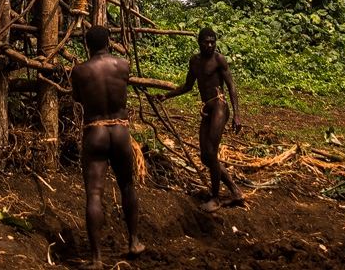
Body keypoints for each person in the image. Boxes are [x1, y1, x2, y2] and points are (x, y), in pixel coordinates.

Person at [71, 24, 144, 266]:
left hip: (95, 131)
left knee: (94, 194)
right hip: (121, 131)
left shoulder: (80, 71)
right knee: (127, 185)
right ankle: (133, 242)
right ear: (109, 41)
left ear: (87, 45)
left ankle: (96, 258)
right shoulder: (123, 65)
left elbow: (78, 98)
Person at [157, 27, 244, 212]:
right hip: (207, 110)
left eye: (213, 42)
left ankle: (215, 198)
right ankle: (235, 191)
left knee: (211, 153)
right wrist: (167, 96)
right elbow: (188, 86)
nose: (210, 45)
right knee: (205, 156)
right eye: (206, 42)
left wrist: (236, 115)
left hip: (220, 107)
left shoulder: (219, 59)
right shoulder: (194, 61)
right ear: (199, 42)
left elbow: (231, 87)